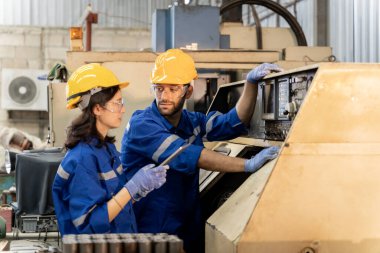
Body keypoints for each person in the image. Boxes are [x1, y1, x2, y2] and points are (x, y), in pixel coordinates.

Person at [120, 49, 281, 252]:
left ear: (188, 91)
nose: (164, 96)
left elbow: (232, 122)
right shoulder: (142, 125)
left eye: (173, 88)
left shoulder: (191, 121)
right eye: (159, 88)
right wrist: (247, 165)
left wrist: (251, 83)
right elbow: (190, 155)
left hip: (186, 228)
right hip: (150, 233)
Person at [52, 63, 167, 235]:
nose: (123, 109)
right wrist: (132, 187)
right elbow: (87, 226)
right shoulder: (82, 158)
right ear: (97, 108)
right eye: (117, 103)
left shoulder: (106, 149)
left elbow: (114, 203)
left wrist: (137, 192)